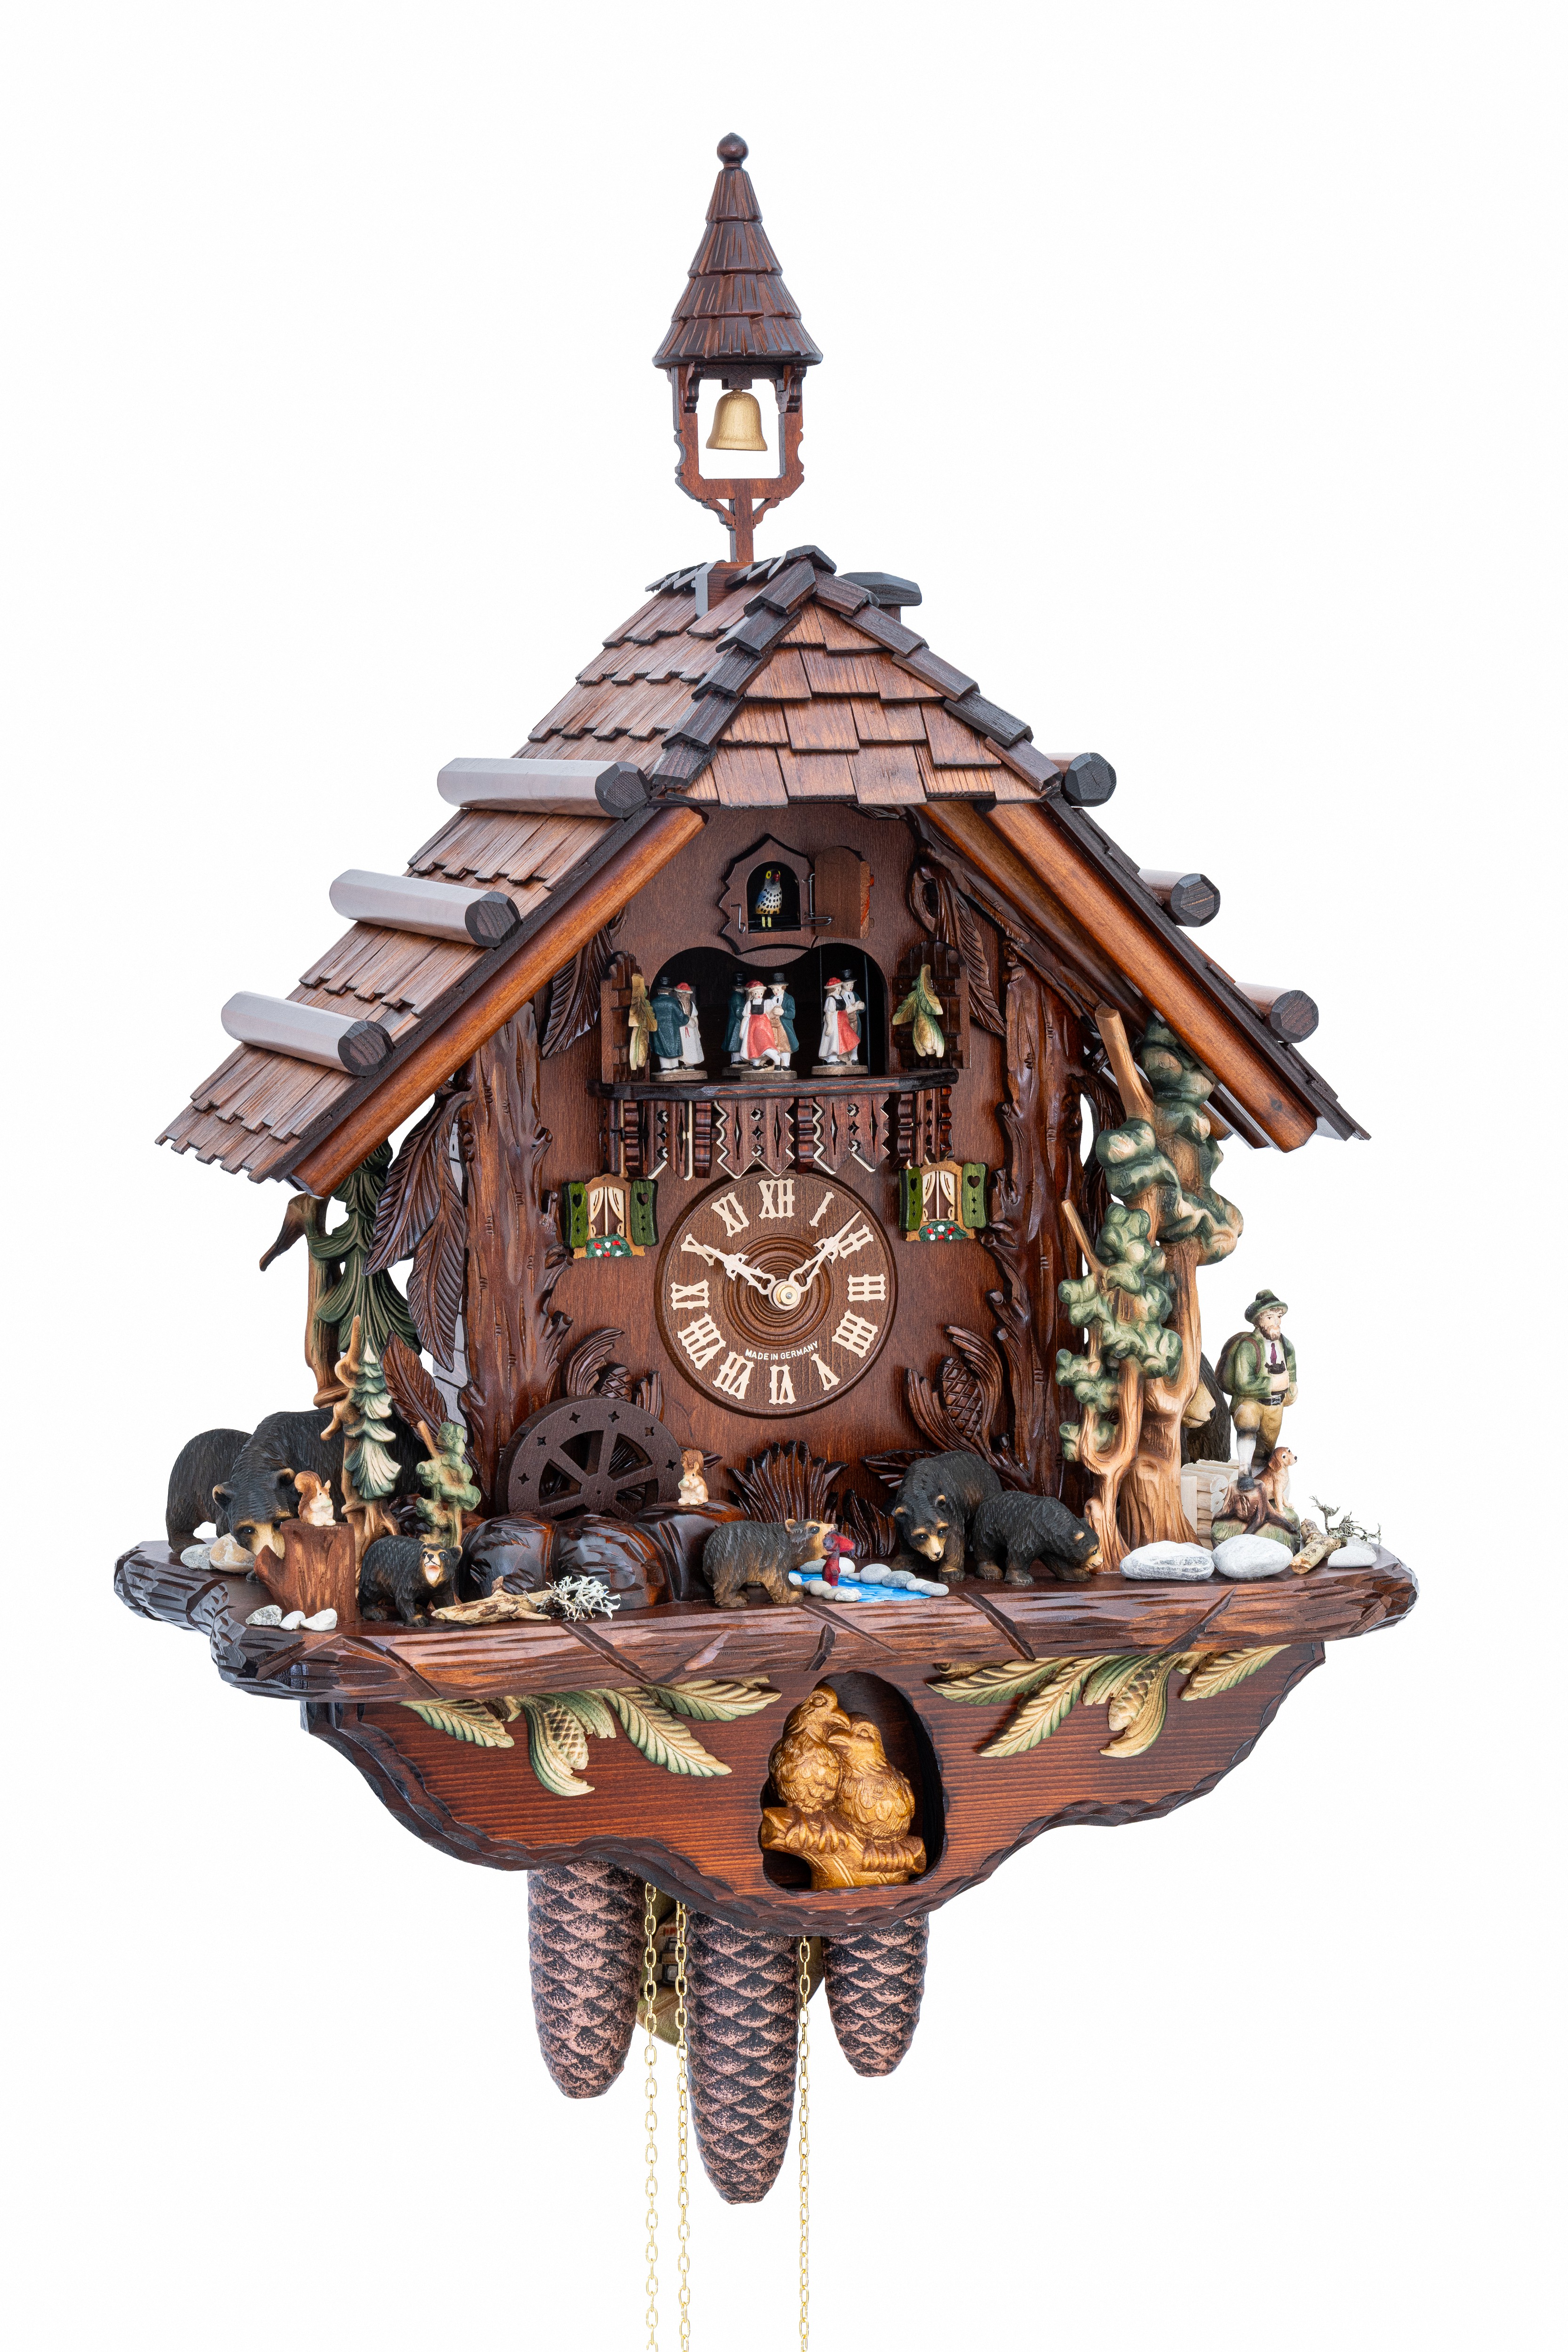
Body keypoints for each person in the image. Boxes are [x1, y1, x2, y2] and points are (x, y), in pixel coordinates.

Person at [1218, 1291, 1298, 1481]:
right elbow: (1243, 1383)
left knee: (1266, 1451)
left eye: (1279, 1317)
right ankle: (1244, 1472)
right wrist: (1272, 1384)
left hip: (1275, 1405)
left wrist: (1292, 1385)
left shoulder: (1286, 1345)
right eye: (1270, 1318)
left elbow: (1292, 1369)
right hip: (1251, 1403)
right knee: (1247, 1424)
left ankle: (1263, 1484)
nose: (1276, 1322)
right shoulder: (1248, 1347)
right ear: (1257, 1321)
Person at [816, 972, 863, 1067]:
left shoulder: (840, 997)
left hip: (842, 1023)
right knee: (834, 1041)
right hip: (835, 1023)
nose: (839, 989)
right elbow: (829, 1013)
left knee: (850, 1038)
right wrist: (830, 1026)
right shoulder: (831, 999)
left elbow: (847, 1010)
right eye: (838, 988)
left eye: (839, 987)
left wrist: (856, 1007)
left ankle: (850, 1057)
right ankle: (832, 1059)